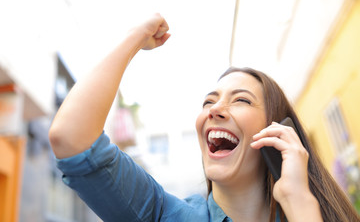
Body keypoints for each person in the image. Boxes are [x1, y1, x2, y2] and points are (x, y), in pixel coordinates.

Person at [49, 14, 360, 222]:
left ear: (276, 133)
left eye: (240, 99)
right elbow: (72, 138)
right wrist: (135, 36)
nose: (214, 110)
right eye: (209, 101)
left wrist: (299, 202)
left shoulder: (307, 211)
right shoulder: (165, 214)